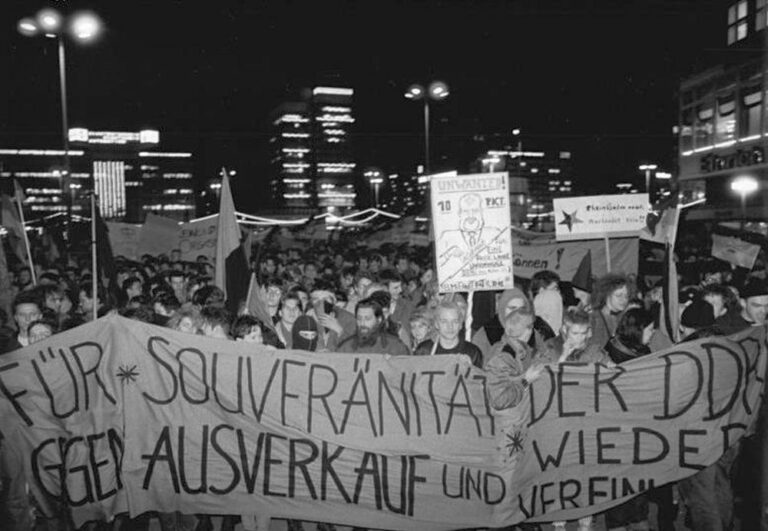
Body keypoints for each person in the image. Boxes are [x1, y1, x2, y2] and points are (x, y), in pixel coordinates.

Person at [602, 308, 655, 531]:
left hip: (639, 430)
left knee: (637, 486)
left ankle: (637, 520)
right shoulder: (609, 354)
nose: (653, 333)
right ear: (637, 330)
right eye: (650, 329)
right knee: (617, 486)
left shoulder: (644, 351)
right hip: (615, 432)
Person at [472, 288, 554, 364]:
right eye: (512, 308)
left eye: (522, 309)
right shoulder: (487, 333)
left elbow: (548, 359)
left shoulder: (536, 331)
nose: (517, 313)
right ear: (502, 308)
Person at [413, 301, 483, 367]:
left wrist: (470, 369)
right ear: (436, 324)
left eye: (455, 321)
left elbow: (478, 378)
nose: (450, 327)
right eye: (444, 321)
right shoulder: (424, 351)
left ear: (461, 325)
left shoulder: (473, 352)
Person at [337, 298, 410, 356]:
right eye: (359, 318)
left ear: (379, 320)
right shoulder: (346, 347)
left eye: (367, 318)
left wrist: (392, 364)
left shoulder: (394, 346)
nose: (362, 323)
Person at [537, 308, 605, 364]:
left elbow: (611, 370)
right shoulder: (549, 348)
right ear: (564, 329)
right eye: (575, 333)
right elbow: (545, 377)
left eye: (583, 333)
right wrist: (563, 357)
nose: (580, 338)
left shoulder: (594, 350)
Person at [589, 273, 631, 349]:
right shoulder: (593, 318)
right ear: (606, 295)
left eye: (626, 296)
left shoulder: (622, 317)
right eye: (619, 295)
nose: (624, 300)